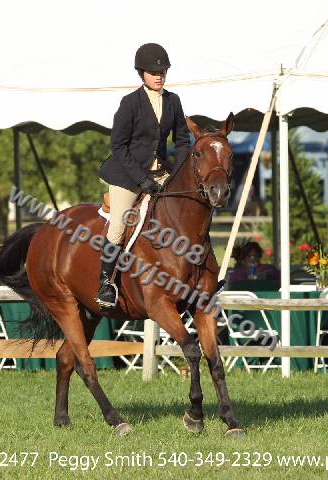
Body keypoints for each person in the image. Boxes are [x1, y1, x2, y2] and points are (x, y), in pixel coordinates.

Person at [95, 43, 191, 310]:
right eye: (153, 72)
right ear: (142, 74)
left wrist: (177, 174)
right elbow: (118, 146)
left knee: (187, 210)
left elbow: (183, 141)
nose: (159, 76)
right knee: (119, 224)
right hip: (127, 174)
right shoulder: (130, 103)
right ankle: (106, 283)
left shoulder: (173, 101)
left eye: (163, 71)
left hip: (161, 173)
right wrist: (141, 179)